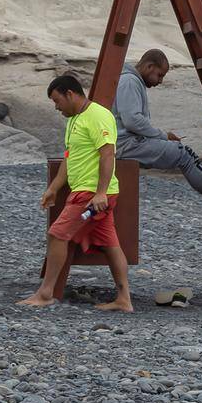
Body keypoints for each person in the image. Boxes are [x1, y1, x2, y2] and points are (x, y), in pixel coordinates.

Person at [18, 74, 130, 311]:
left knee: (57, 235)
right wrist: (53, 189)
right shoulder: (73, 121)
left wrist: (100, 193)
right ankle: (124, 299)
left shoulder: (99, 116)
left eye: (57, 101)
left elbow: (108, 154)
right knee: (110, 243)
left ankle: (46, 292)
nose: (57, 107)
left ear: (70, 94)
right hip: (88, 193)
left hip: (92, 196)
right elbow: (69, 160)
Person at [114, 49, 202, 227]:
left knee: (183, 158)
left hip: (128, 143)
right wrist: (163, 136)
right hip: (126, 145)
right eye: (159, 75)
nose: (160, 81)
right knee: (183, 154)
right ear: (149, 66)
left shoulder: (131, 81)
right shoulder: (129, 81)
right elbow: (132, 120)